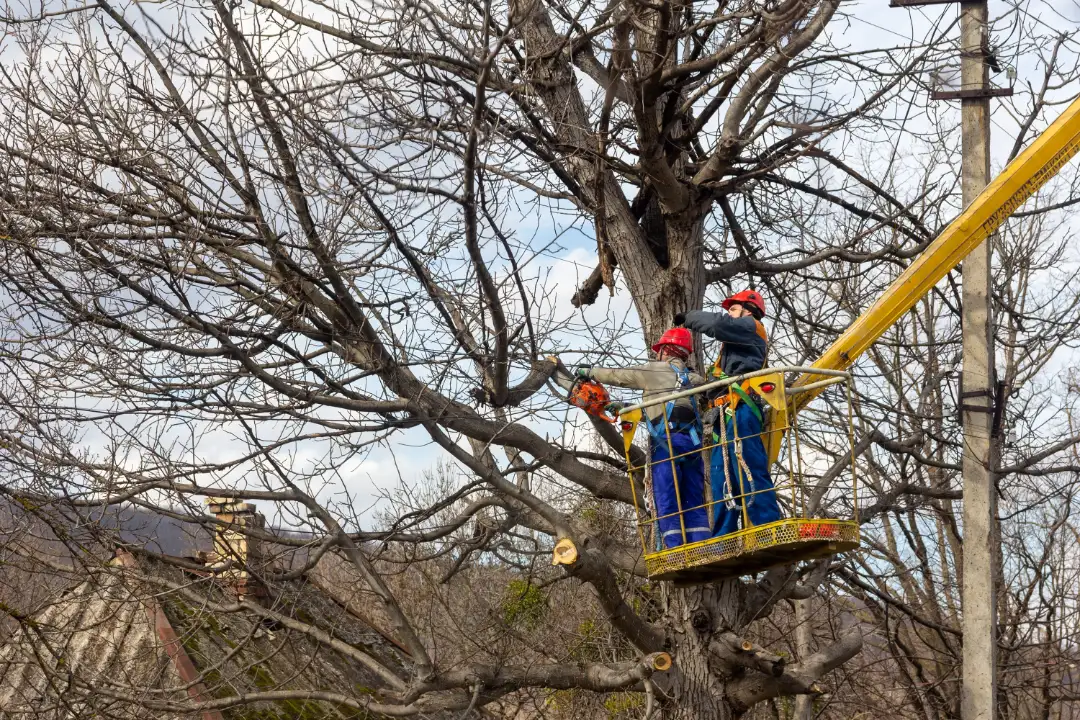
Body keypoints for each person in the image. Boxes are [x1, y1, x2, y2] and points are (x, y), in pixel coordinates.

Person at [576, 328, 710, 549]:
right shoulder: (695, 380)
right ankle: (703, 549)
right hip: (692, 445)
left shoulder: (655, 371)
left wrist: (590, 371)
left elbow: (620, 376)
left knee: (667, 497)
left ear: (665, 350)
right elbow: (670, 407)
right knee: (693, 499)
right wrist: (630, 408)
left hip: (666, 443)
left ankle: (676, 551)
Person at [676, 289, 782, 536]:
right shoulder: (733, 347)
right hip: (724, 414)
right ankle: (723, 536)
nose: (729, 313)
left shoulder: (750, 326)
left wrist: (689, 317)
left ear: (749, 310)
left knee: (747, 466)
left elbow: (716, 324)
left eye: (733, 309)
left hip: (741, 409)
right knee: (721, 477)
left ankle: (768, 527)